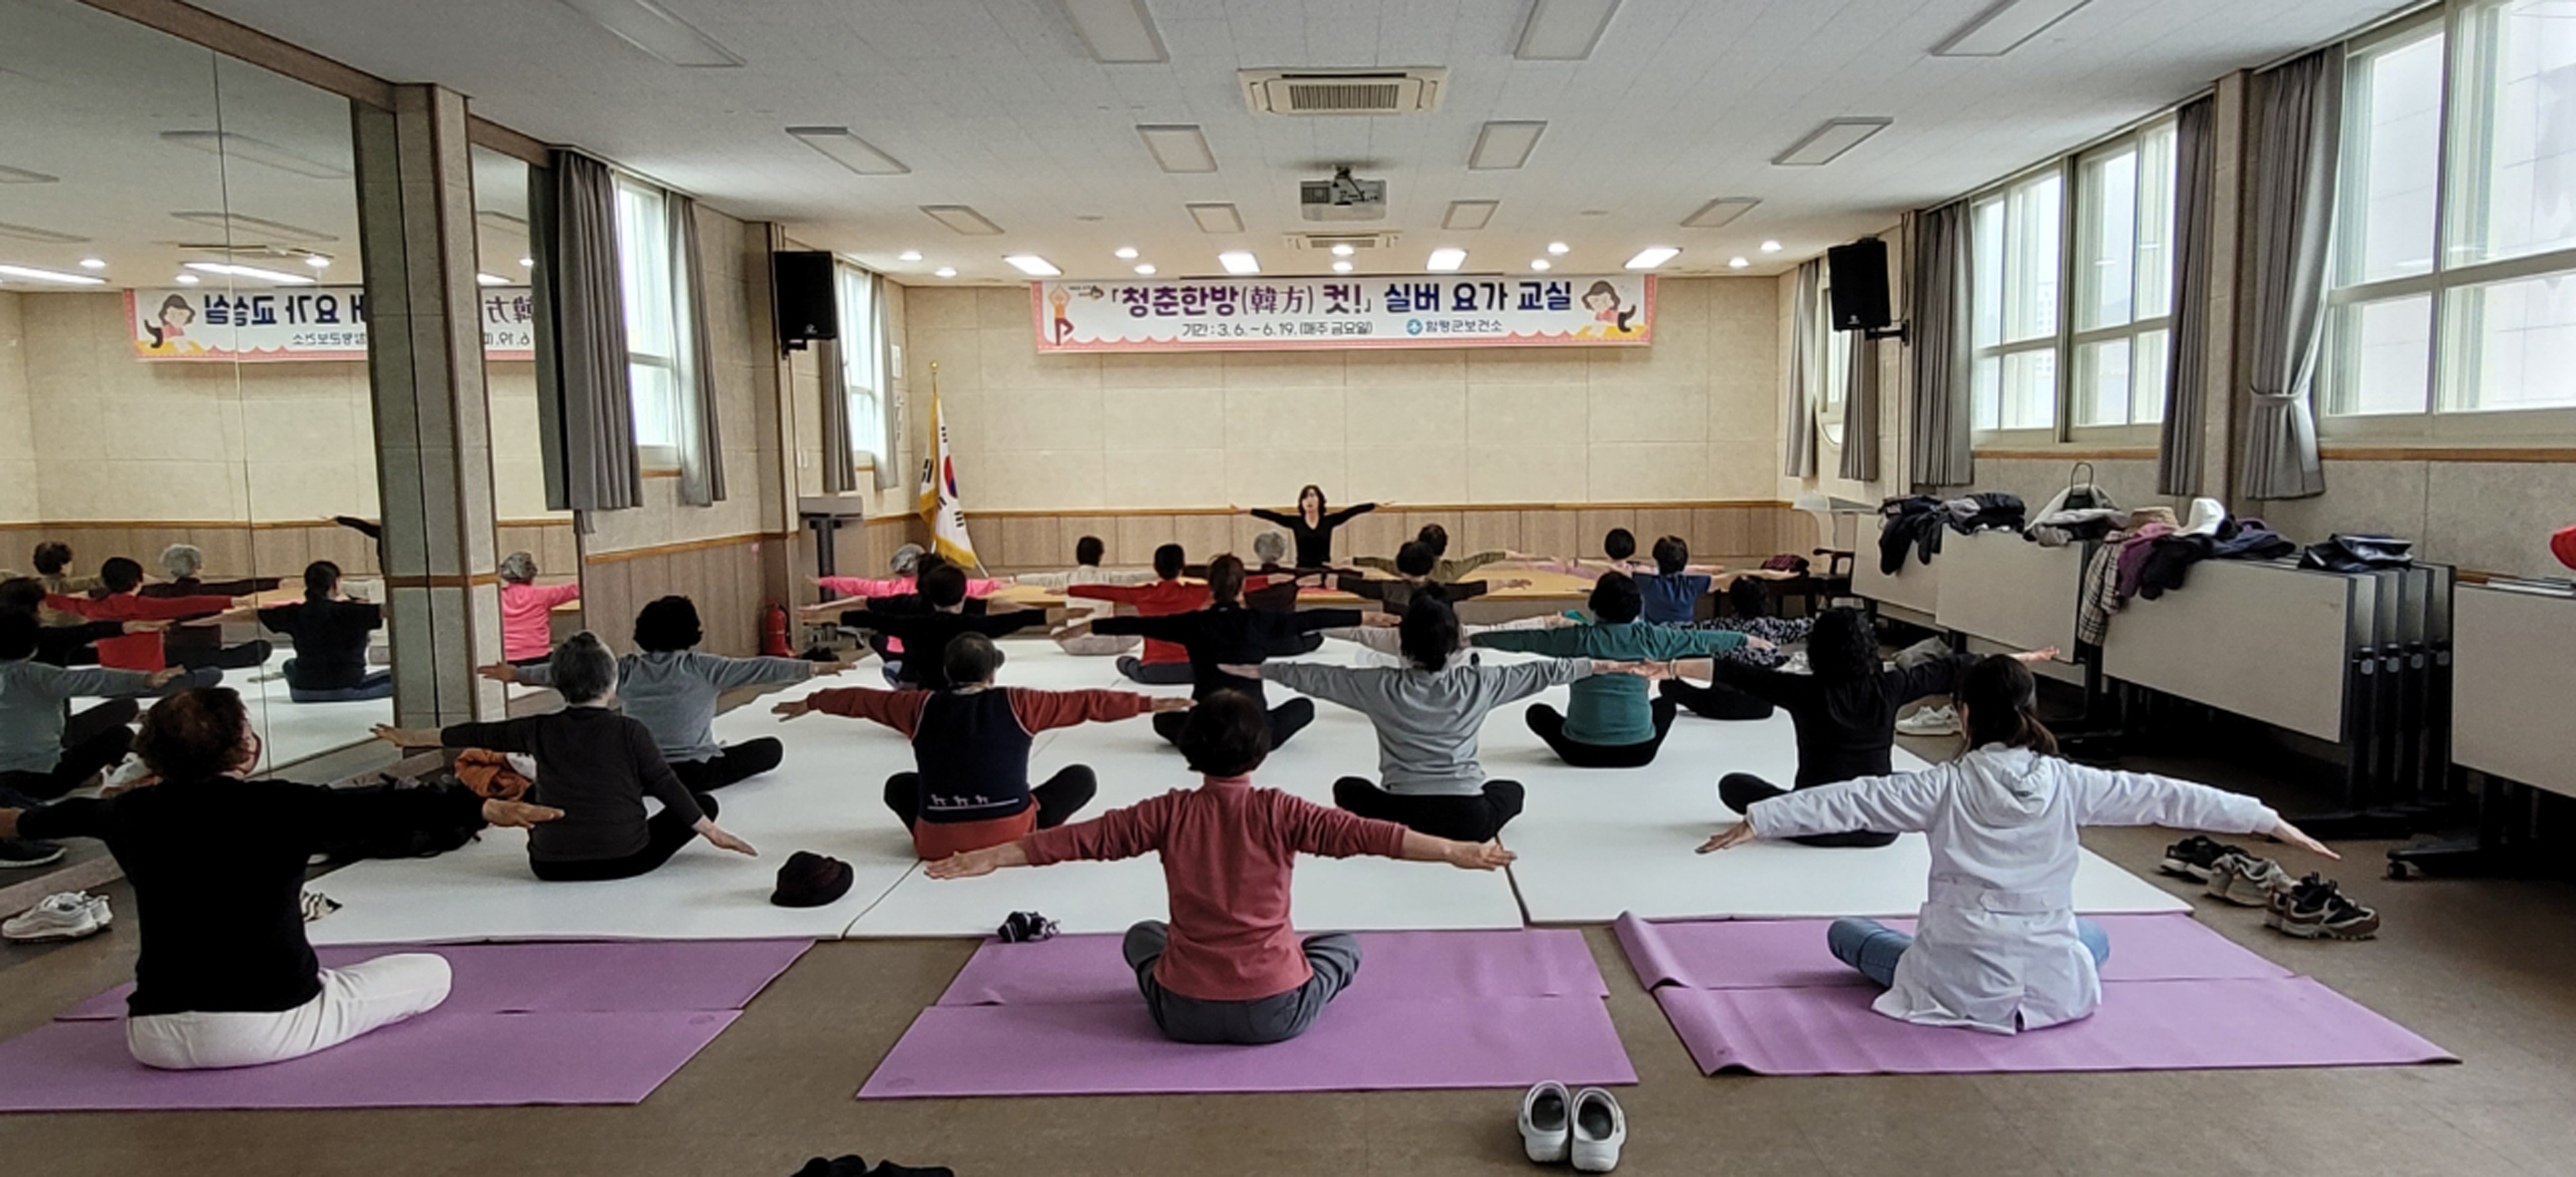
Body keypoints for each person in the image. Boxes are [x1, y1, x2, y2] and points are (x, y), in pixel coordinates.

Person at [1699, 655, 2337, 1035]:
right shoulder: (2069, 782)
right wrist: (2264, 818)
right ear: (2029, 710)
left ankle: (1947, 975)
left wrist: (1760, 818)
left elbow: (1855, 798)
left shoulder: (1942, 785)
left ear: (1963, 714)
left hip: (1953, 978)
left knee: (1847, 933)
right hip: (2050, 983)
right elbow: (2163, 796)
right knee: (2093, 938)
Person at [3, 687, 558, 1069]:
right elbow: (379, 807)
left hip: (151, 1035)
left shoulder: (126, 812)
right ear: (246, 748)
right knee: (432, 972)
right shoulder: (279, 805)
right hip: (266, 1023)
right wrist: (481, 808)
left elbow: (31, 820)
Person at [925, 690, 1514, 1046]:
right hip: (1277, 1013)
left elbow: (1081, 839)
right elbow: (1371, 835)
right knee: (1343, 946)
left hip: (1181, 1014)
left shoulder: (1166, 812)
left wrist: (992, 854)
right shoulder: (1281, 810)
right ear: (1261, 749)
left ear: (1189, 749)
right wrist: (1456, 850)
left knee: (1141, 936)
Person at [1238, 598, 1661, 841]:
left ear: (1403, 644)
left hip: (1398, 816)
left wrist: (1258, 670)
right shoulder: (1480, 682)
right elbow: (1543, 672)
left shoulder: (1377, 685)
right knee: (1511, 791)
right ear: (1457, 643)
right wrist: (1601, 665)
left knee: (1346, 789)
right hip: (1468, 818)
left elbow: (1317, 676)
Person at [372, 633, 757, 881]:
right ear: (613, 682)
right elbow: (665, 785)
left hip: (549, 866)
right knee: (704, 803)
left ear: (558, 683)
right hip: (626, 858)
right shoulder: (630, 731)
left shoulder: (537, 728)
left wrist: (411, 737)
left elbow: (475, 733)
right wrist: (713, 833)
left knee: (537, 792)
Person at [1670, 607, 2057, 848]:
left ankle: (1787, 811)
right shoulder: (1891, 686)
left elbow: (1734, 673)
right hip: (1880, 828)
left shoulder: (1803, 691)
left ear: (1818, 649)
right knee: (1903, 782)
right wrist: (2020, 659)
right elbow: (1956, 667)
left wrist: (1669, 668)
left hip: (1811, 824)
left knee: (1733, 785)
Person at [778, 632, 1187, 858]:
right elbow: (1087, 703)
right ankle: (1015, 813)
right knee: (1081, 778)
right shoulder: (1020, 703)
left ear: (946, 672)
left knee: (899, 785)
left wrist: (812, 701)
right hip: (1012, 836)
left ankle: (953, 820)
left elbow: (859, 700)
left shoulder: (918, 706)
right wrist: (1147, 703)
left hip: (936, 844)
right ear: (992, 673)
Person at [484, 596, 840, 792]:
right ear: (692, 632)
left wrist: (517, 674)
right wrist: (812, 667)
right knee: (770, 749)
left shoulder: (625, 668)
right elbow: (761, 667)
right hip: (696, 773)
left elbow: (570, 671)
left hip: (641, 772)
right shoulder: (704, 667)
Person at [1066, 556, 1379, 751]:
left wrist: (1090, 625)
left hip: (1205, 729)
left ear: (1210, 589)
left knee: (1162, 721)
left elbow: (1140, 624)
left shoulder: (1194, 623)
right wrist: (1364, 617)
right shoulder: (1260, 621)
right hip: (1256, 729)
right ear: (1242, 588)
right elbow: (1312, 619)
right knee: (1304, 707)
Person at [1468, 572, 1755, 768]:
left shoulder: (1578, 638)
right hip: (1639, 752)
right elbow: (1699, 639)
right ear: (1636, 607)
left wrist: (1474, 639)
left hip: (1580, 751)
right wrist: (1746, 639)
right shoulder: (1651, 637)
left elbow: (1525, 639)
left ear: (1595, 605)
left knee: (1537, 713)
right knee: (1665, 705)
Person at [839, 563, 1052, 691]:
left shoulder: (910, 621)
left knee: (889, 653)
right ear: (962, 595)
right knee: (991, 653)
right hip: (955, 686)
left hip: (921, 688)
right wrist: (1060, 614)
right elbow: (1017, 618)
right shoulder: (972, 623)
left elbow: (867, 614)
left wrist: (826, 613)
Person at [44, 558, 248, 672]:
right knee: (211, 674)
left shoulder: (92, 607)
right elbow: (190, 603)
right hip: (149, 679)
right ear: (138, 581)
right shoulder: (145, 606)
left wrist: (33, 592)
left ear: (104, 583)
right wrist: (232, 601)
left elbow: (55, 601)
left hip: (111, 679)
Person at [1066, 543, 1207, 686]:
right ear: (1182, 566)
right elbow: (1220, 580)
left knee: (1123, 661)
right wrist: (1189, 571)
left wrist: (1070, 590)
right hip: (1191, 670)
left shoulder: (1144, 594)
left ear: (1156, 568)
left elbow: (1105, 592)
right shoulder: (1197, 592)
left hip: (1153, 671)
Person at [258, 562, 390, 703]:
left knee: (290, 664)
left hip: (302, 691)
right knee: (397, 678)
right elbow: (390, 609)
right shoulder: (351, 611)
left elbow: (260, 614)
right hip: (345, 687)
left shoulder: (295, 612)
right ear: (336, 584)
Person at [1010, 535, 1156, 656]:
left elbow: (1042, 579)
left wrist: (1015, 579)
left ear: (1077, 556)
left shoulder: (1067, 578)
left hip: (1074, 644)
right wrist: (1163, 573)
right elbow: (1135, 576)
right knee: (1137, 629)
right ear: (1100, 555)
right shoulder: (1109, 577)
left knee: (1056, 631)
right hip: (1108, 643)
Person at [144, 544, 280, 671]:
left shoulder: (160, 591)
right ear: (198, 567)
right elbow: (242, 587)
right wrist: (278, 583)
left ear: (171, 570)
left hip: (170, 655)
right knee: (261, 647)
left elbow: (143, 580)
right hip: (207, 655)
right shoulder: (209, 591)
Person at [1337, 540, 1528, 616]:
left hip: (1399, 639)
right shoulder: (1444, 590)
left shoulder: (1387, 589)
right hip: (1437, 642)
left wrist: (1325, 577)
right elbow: (1473, 588)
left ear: (1400, 567)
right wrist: (1506, 582)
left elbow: (1354, 584)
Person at [1247, 484, 1377, 569]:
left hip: (1324, 569)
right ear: (1301, 503)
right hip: (1302, 570)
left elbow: (1351, 512)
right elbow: (1272, 516)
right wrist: (1247, 511)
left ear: (1320, 500)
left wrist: (1374, 505)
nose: (1309, 500)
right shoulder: (1296, 522)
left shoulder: (1329, 521)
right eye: (1305, 498)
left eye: (1312, 496)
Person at [1351, 523, 1531, 584]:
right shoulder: (1451, 571)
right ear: (1444, 547)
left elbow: (1378, 562)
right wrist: (1508, 555)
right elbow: (1481, 559)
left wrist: (1353, 561)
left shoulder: (1406, 567)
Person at [498, 551, 581, 666]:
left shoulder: (498, 596)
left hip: (506, 657)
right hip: (538, 656)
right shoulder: (543, 595)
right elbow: (577, 589)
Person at [1634, 535, 1713, 625]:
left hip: (1653, 632)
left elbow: (1624, 569)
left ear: (1657, 560)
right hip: (1684, 632)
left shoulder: (1648, 582)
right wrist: (1696, 569)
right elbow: (1723, 578)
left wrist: (1652, 569)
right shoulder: (1691, 584)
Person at [30, 542, 99, 627]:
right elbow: (95, 582)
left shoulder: (34, 585)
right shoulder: (71, 586)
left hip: (45, 630)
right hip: (76, 630)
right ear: (63, 565)